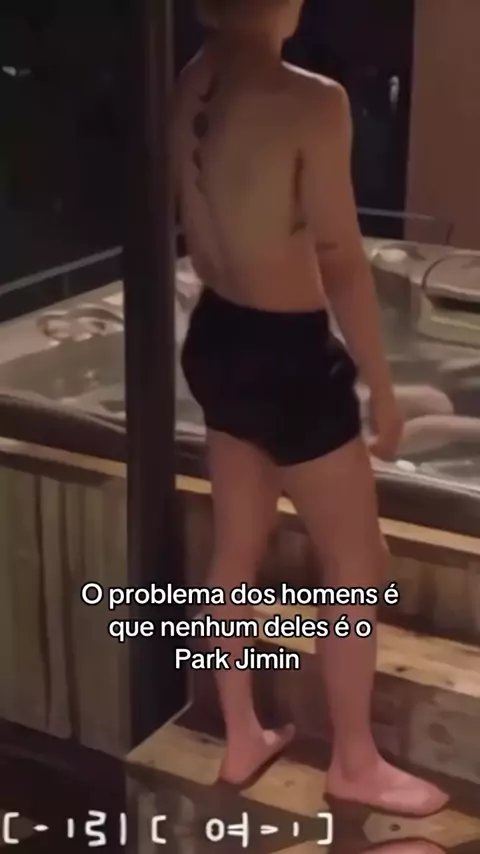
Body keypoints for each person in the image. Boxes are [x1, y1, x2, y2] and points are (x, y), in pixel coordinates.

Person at [172, 0, 448, 816]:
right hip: (289, 357)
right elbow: (341, 260)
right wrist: (382, 389)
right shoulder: (312, 101)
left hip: (217, 338)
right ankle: (354, 762)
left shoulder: (191, 83)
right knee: (359, 560)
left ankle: (242, 733)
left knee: (236, 547)